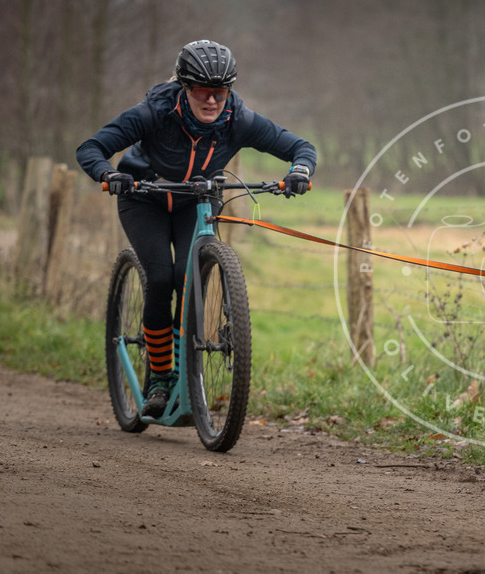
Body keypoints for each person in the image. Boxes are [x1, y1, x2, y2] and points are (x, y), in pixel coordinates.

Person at [77, 39, 317, 418]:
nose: (212, 101)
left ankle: (184, 371)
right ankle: (160, 376)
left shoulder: (239, 119)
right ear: (185, 87)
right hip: (144, 197)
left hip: (197, 201)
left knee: (188, 281)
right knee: (159, 279)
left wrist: (299, 171)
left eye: (220, 92)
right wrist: (109, 174)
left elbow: (301, 147)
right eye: (204, 91)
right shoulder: (153, 112)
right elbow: (91, 148)